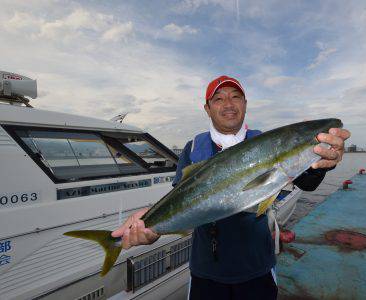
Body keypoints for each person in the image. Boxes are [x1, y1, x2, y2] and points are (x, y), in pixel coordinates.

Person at [112, 75, 351, 300]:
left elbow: (307, 182)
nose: (228, 103)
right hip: (206, 272)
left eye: (235, 96)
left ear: (245, 103)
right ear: (207, 108)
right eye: (219, 98)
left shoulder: (266, 143)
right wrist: (151, 228)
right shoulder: (193, 148)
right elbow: (179, 201)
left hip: (257, 268)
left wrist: (320, 163)